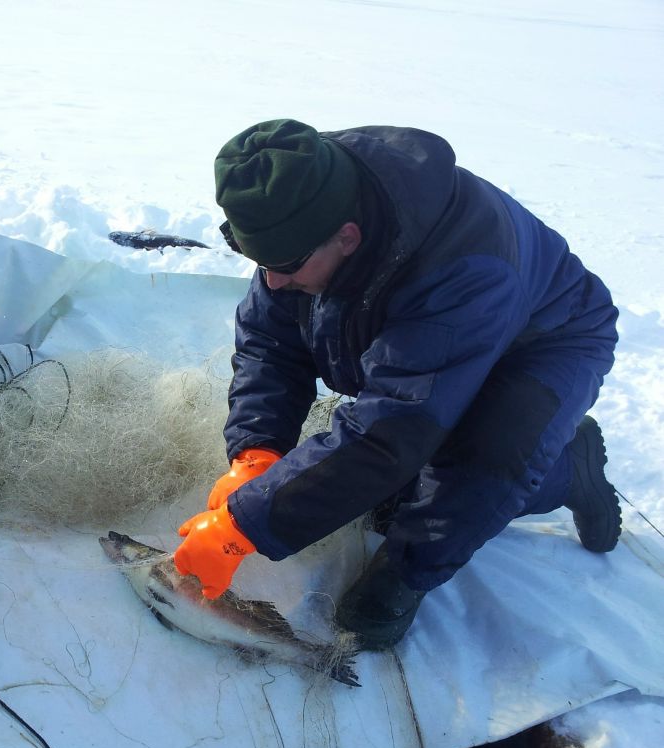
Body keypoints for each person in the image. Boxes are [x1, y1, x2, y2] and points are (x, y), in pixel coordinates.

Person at [174, 120, 622, 649]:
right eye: (259, 262)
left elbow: (392, 429)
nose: (271, 281)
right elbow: (270, 343)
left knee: (482, 460)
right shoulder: (298, 203)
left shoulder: (461, 267)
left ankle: (567, 471)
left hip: (546, 339)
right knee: (386, 492)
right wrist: (257, 451)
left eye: (285, 266)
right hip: (447, 334)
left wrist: (244, 526)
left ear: (347, 237)